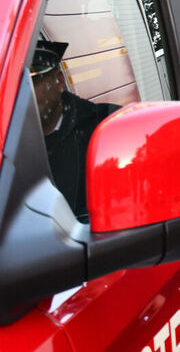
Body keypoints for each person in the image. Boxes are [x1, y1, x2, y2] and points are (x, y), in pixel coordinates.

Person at [31, 39, 118, 219]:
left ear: (59, 80)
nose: (25, 91)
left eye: (34, 79)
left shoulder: (105, 127)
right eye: (13, 82)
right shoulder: (10, 144)